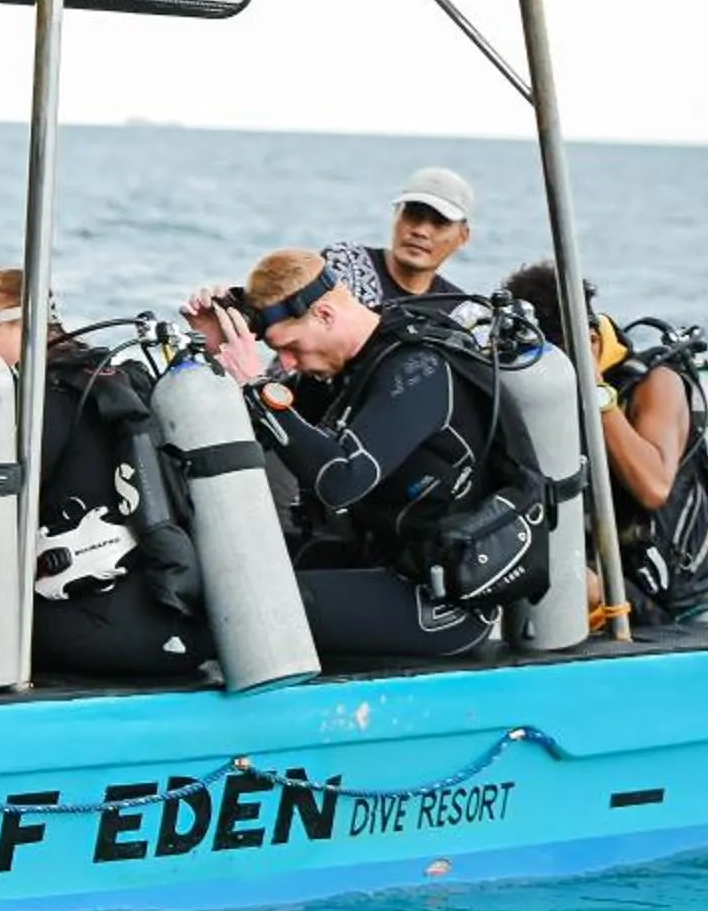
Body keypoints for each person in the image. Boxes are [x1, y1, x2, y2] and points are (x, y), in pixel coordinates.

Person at [189, 248, 541, 660]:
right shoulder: (345, 367)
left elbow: (341, 481)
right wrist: (215, 354)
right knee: (219, 572)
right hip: (377, 560)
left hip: (440, 604)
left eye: (291, 346)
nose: (287, 363)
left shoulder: (420, 369)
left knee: (250, 603)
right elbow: (267, 440)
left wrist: (257, 386)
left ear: (324, 315)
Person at [0, 268, 209, 680]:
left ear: (20, 323)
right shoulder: (108, 380)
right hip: (181, 624)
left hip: (113, 631)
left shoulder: (44, 403)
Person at [499, 260, 708, 621]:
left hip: (673, 600)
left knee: (568, 580)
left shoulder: (655, 384)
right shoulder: (538, 385)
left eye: (554, 357)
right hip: (601, 575)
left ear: (589, 340)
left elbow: (653, 487)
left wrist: (595, 390)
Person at [322, 166, 475, 311]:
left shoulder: (462, 312)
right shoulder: (344, 264)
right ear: (396, 214)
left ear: (463, 236)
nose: (420, 231)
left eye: (439, 222)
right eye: (413, 215)